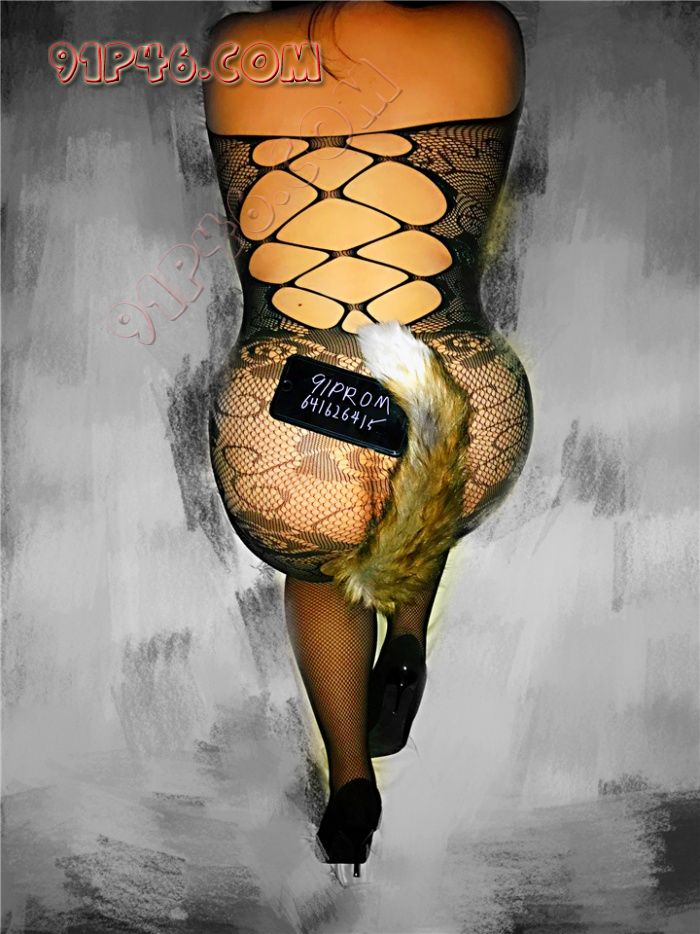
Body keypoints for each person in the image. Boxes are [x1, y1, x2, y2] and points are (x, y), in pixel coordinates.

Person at [204, 0, 532, 876]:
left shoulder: (238, 48)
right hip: (453, 385)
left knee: (323, 567)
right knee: (420, 472)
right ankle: (409, 634)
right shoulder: (486, 29)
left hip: (288, 409)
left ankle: (350, 774)